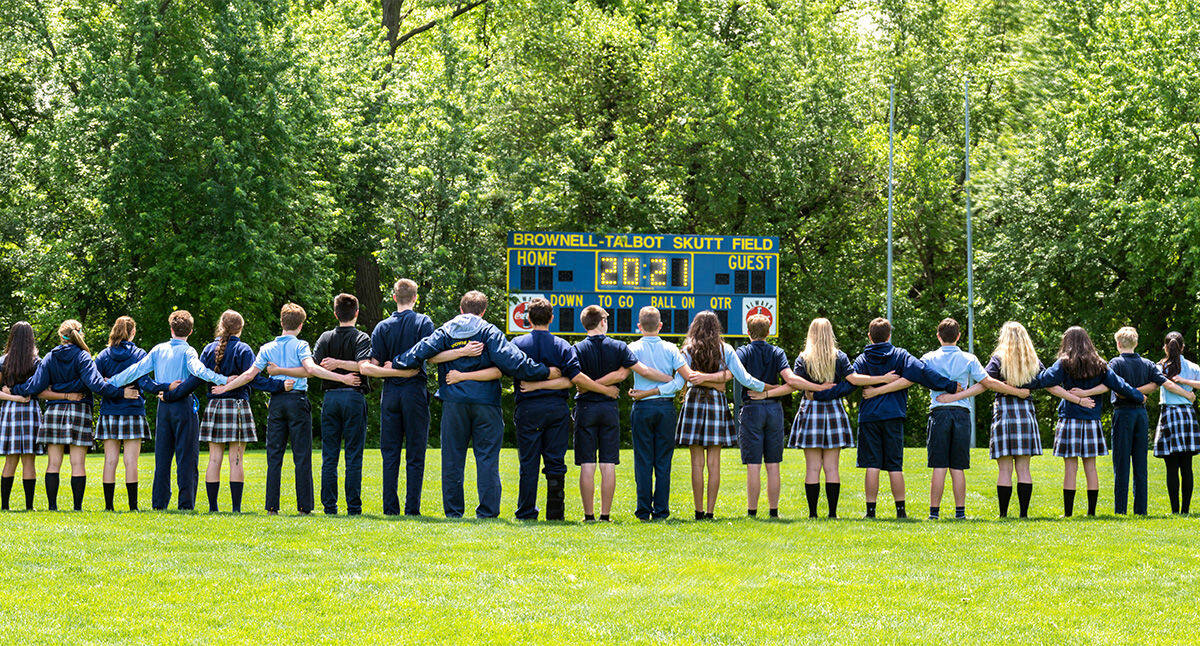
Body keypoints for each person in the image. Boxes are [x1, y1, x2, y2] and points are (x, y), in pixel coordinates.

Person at [392, 290, 554, 519]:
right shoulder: (488, 331)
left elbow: (423, 349)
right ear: (484, 311)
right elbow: (513, 360)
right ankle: (487, 512)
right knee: (487, 458)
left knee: (452, 459)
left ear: (460, 309)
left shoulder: (447, 330)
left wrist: (399, 361)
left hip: (454, 402)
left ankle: (454, 512)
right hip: (486, 403)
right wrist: (543, 371)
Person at [518, 304, 670, 521]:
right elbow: (633, 371)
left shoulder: (576, 348)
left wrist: (591, 385)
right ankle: (605, 515)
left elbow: (575, 378)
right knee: (608, 463)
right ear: (602, 322)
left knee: (587, 464)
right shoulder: (618, 346)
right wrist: (669, 378)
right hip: (608, 408)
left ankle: (588, 515)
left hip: (585, 407)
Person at [214, 303, 359, 515]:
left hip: (276, 403)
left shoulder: (267, 348)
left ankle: (272, 507)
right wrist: (342, 377)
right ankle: (304, 508)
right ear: (300, 325)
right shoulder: (301, 345)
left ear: (281, 323)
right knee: (302, 455)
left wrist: (224, 388)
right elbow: (310, 370)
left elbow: (248, 376)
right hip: (297, 401)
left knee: (274, 456)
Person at [162, 310, 289, 513]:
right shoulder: (244, 349)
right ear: (240, 328)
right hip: (238, 405)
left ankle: (213, 508)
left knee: (214, 458)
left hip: (214, 407)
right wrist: (279, 386)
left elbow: (198, 377)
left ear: (221, 325)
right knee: (236, 459)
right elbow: (254, 379)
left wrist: (172, 393)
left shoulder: (208, 349)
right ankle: (236, 509)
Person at [906, 318, 1031, 520]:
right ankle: (960, 513)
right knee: (958, 466)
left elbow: (914, 375)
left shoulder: (928, 358)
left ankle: (934, 513)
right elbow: (987, 382)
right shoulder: (969, 358)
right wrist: (1017, 391)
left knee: (939, 466)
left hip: (938, 412)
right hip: (962, 414)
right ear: (959, 336)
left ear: (938, 336)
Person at [107, 310, 230, 510]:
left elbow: (135, 371)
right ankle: (185, 504)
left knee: (162, 458)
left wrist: (112, 381)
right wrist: (223, 380)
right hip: (184, 407)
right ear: (190, 331)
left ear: (171, 329)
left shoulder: (157, 350)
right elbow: (199, 371)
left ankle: (159, 503)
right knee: (187, 457)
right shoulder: (188, 351)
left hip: (164, 407)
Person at [507, 298, 615, 521]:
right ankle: (555, 513)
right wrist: (551, 374)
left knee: (529, 462)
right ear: (551, 318)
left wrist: (535, 382)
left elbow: (510, 371)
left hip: (528, 408)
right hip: (556, 408)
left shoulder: (517, 344)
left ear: (528, 319)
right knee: (555, 461)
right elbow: (571, 381)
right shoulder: (562, 345)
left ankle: (526, 512)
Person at [841, 317, 960, 519]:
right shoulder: (900, 355)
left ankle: (870, 512)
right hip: (894, 414)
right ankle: (901, 511)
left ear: (870, 337)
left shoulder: (862, 359)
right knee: (894, 465)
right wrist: (948, 385)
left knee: (872, 465)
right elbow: (923, 372)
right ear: (889, 336)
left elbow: (849, 382)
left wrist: (821, 392)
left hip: (869, 416)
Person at [10, 320, 132, 511]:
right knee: (77, 463)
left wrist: (13, 389)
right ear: (80, 334)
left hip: (54, 411)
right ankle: (77, 508)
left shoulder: (50, 357)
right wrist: (120, 392)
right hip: (79, 410)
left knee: (53, 463)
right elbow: (96, 385)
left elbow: (34, 386)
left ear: (61, 335)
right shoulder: (83, 356)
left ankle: (52, 507)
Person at [658, 310, 766, 520]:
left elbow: (686, 380)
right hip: (716, 402)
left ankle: (698, 512)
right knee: (714, 463)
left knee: (696, 464)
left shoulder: (687, 350)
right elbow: (740, 376)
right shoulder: (725, 349)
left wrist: (701, 379)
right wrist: (718, 383)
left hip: (694, 402)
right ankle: (709, 512)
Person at [1027, 326, 1144, 517]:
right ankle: (1091, 512)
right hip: (1091, 420)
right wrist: (1138, 396)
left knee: (1070, 467)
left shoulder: (1064, 362)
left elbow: (1044, 380)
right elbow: (1118, 384)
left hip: (1070, 418)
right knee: (1091, 466)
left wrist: (1022, 381)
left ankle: (1068, 513)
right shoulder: (1098, 363)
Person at [753, 318, 859, 518]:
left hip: (810, 410)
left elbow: (797, 384)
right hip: (834, 410)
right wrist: (833, 391)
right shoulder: (840, 357)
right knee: (831, 467)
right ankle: (833, 514)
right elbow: (851, 382)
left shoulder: (804, 358)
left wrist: (815, 392)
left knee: (812, 467)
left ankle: (812, 514)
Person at [738, 314, 838, 518]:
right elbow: (792, 381)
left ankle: (752, 512)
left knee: (754, 466)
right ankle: (773, 512)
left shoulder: (743, 352)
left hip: (751, 409)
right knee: (773, 465)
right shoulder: (777, 352)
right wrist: (819, 387)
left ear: (748, 332)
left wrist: (761, 390)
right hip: (774, 410)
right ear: (769, 332)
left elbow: (741, 376)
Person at [981, 322, 1079, 518]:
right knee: (1024, 467)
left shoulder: (999, 358)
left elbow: (985, 380)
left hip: (1004, 412)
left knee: (1005, 468)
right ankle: (1023, 514)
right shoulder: (1032, 359)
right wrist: (1076, 398)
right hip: (1026, 412)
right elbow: (1049, 383)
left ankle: (1003, 514)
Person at [359, 279, 434, 516]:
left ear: (393, 297)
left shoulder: (382, 327)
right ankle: (412, 509)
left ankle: (390, 509)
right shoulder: (424, 322)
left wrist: (392, 372)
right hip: (414, 391)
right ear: (415, 297)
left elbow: (372, 366)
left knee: (389, 452)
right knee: (415, 452)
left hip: (390, 393)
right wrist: (404, 370)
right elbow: (430, 353)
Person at [1105, 326, 1189, 515]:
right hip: (1140, 415)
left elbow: (1117, 388)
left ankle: (1120, 510)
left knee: (1121, 463)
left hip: (1123, 413)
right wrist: (1186, 394)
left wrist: (1132, 392)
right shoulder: (1147, 364)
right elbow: (1159, 383)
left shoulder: (1115, 363)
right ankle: (1140, 510)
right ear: (1136, 343)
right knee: (1140, 464)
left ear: (1118, 343)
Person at [0, 322, 81, 511]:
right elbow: (43, 388)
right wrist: (22, 398)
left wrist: (13, 397)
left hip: (9, 411)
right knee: (29, 459)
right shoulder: (37, 361)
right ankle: (29, 506)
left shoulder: (3, 361)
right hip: (30, 410)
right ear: (30, 338)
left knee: (10, 459)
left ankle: (4, 506)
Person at [94, 316, 166, 511]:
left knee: (110, 460)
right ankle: (133, 507)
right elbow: (146, 383)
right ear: (132, 333)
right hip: (133, 411)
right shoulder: (139, 354)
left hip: (109, 411)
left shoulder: (103, 356)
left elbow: (97, 385)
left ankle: (109, 507)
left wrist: (113, 386)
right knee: (131, 461)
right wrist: (166, 387)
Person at [312, 294, 373, 515]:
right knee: (353, 454)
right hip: (354, 397)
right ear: (356, 312)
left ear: (335, 313)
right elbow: (363, 366)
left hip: (330, 398)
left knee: (329, 454)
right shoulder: (361, 338)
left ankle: (329, 506)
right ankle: (353, 507)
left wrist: (335, 364)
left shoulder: (325, 338)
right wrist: (347, 369)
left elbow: (314, 365)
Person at [626, 306, 688, 521]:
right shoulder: (672, 349)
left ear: (639, 327)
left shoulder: (632, 348)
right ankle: (661, 511)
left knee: (643, 460)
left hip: (642, 408)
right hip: (665, 408)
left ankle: (643, 511)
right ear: (661, 326)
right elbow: (681, 380)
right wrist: (663, 389)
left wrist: (646, 392)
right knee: (663, 461)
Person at [1155, 332, 1200, 514]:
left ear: (1166, 347)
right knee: (1186, 466)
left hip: (1169, 415)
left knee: (1171, 466)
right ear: (1182, 347)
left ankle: (1175, 511)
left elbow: (1167, 384)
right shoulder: (1193, 366)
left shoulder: (1160, 367)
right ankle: (1185, 510)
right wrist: (1188, 389)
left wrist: (1181, 381)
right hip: (1187, 415)